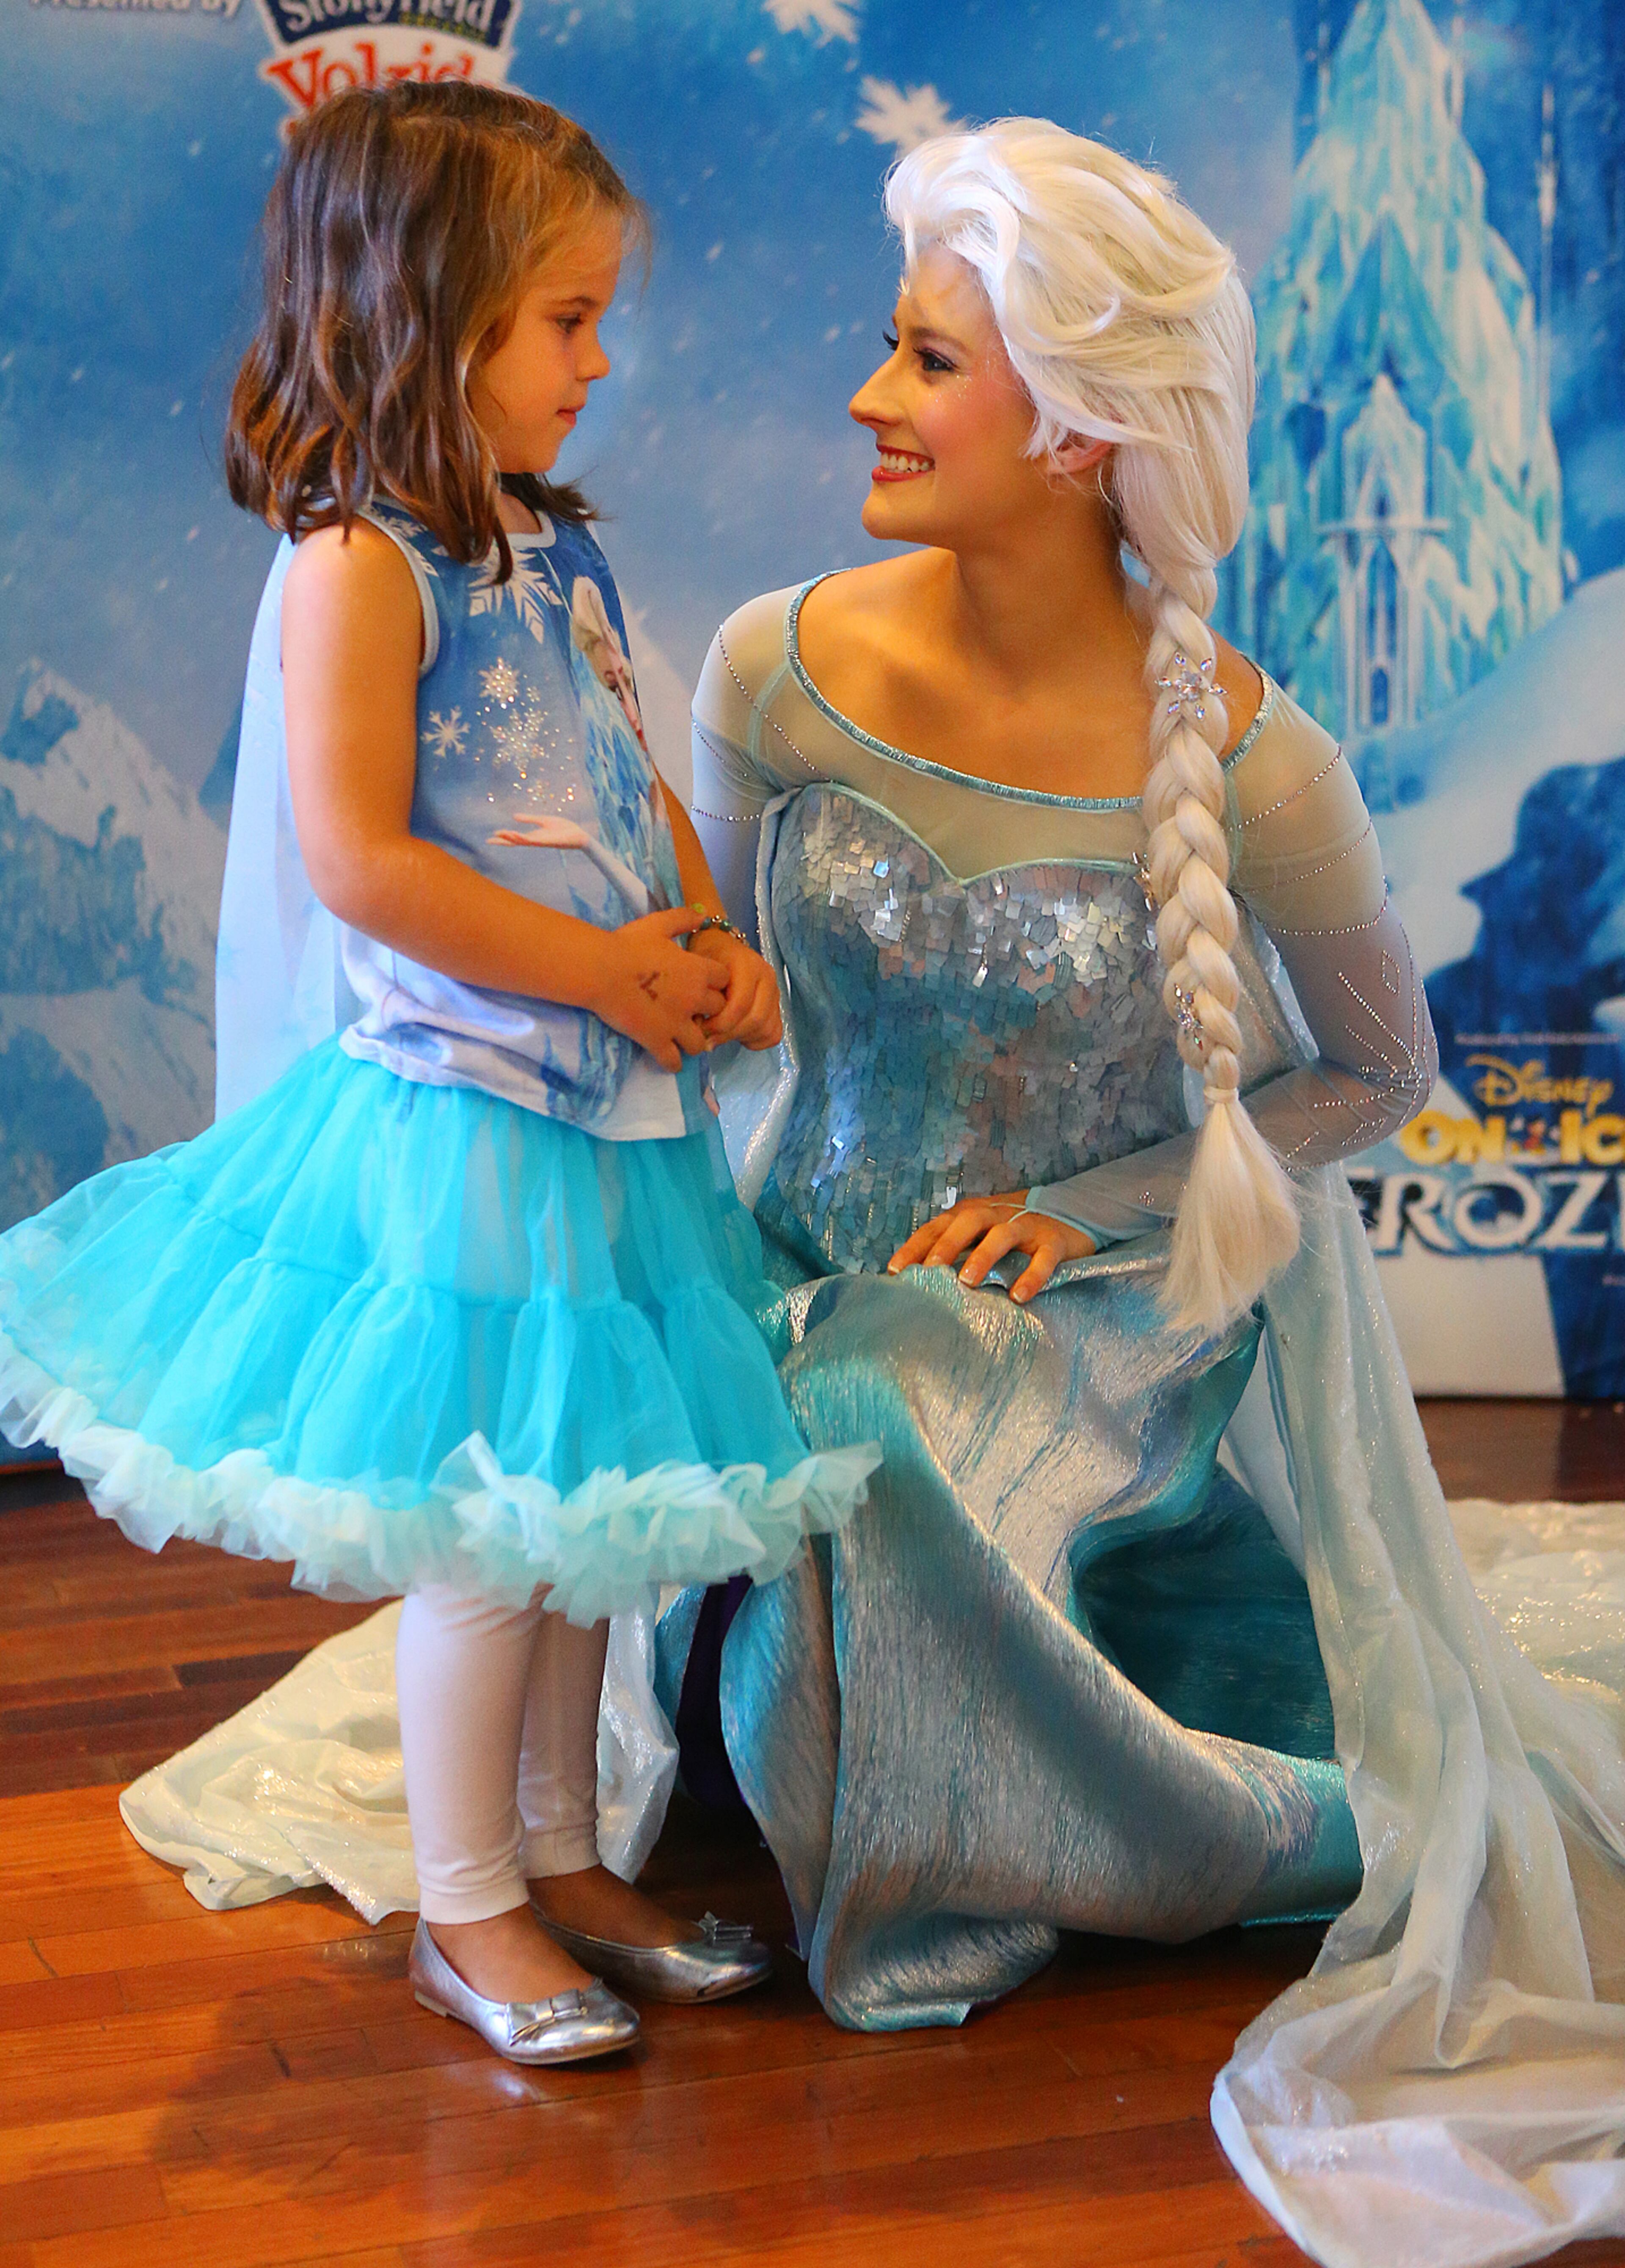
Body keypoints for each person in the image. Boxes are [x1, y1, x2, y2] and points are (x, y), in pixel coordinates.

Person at [675, 119, 1625, 2268]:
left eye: (929, 361)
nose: (869, 397)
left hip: (1100, 1317)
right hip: (800, 1256)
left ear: (1086, 433)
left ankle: (1034, 1858)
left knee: (895, 1408)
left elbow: (1380, 1070)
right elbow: (720, 1002)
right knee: (832, 1387)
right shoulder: (770, 665)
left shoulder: (1257, 761)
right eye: (886, 345)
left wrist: (1095, 1203)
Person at [0, 83, 876, 2069]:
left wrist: (708, 945)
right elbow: (364, 860)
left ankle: (565, 1851)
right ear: (425, 309)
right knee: (501, 1525)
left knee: (588, 1516)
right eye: (564, 320)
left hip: (613, 1115)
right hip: (469, 1115)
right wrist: (600, 970)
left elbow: (631, 786)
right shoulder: (355, 566)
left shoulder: (556, 558)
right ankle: (466, 1894)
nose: (597, 361)